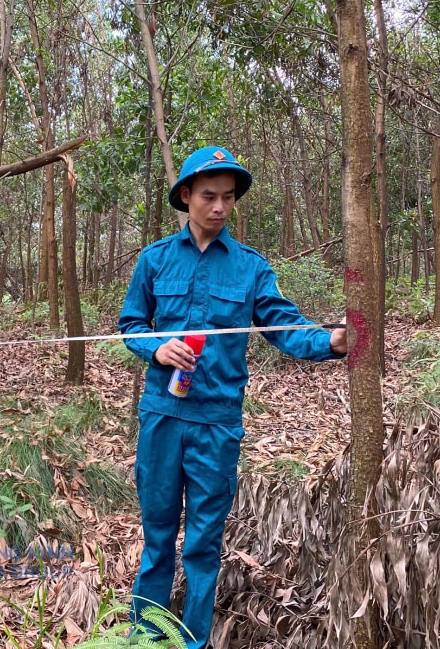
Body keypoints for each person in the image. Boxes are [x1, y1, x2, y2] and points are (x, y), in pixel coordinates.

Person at [118, 146, 348, 648]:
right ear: (185, 196)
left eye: (227, 198)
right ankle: (144, 637)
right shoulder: (155, 260)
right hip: (161, 416)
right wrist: (157, 350)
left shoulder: (250, 268)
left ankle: (193, 640)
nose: (219, 207)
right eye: (208, 196)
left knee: (202, 543)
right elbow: (131, 325)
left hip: (218, 422)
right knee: (158, 536)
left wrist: (330, 342)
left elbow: (283, 326)